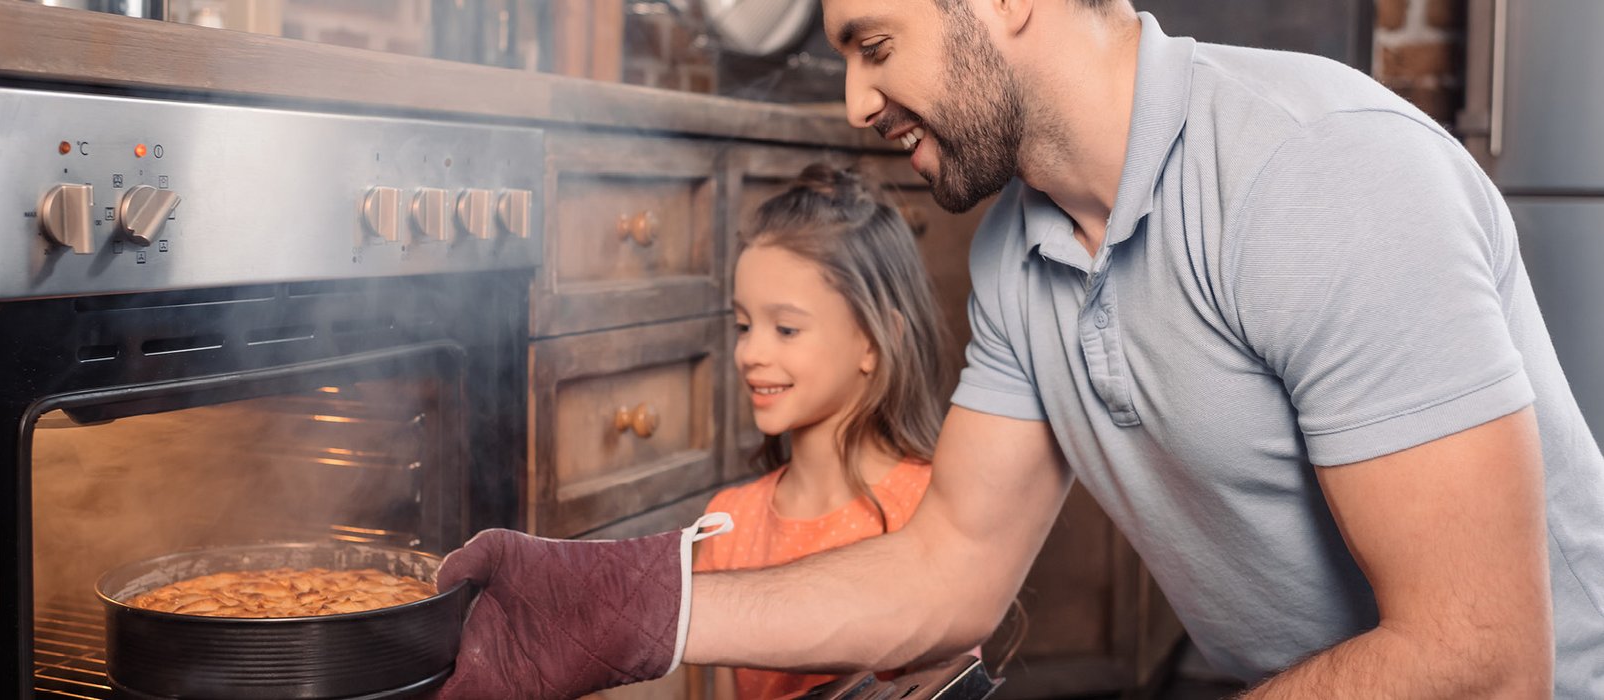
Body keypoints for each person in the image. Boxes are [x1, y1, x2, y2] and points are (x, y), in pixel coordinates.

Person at [434, 1, 1604, 698]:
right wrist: (634, 604)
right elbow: (945, 571)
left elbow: (1482, 660)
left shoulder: (1315, 170)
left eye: (875, 42)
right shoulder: (1014, 253)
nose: (855, 100)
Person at [698, 164, 966, 699]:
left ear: (873, 339)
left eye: (787, 329)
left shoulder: (934, 511)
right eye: (744, 326)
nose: (750, 353)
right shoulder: (726, 524)